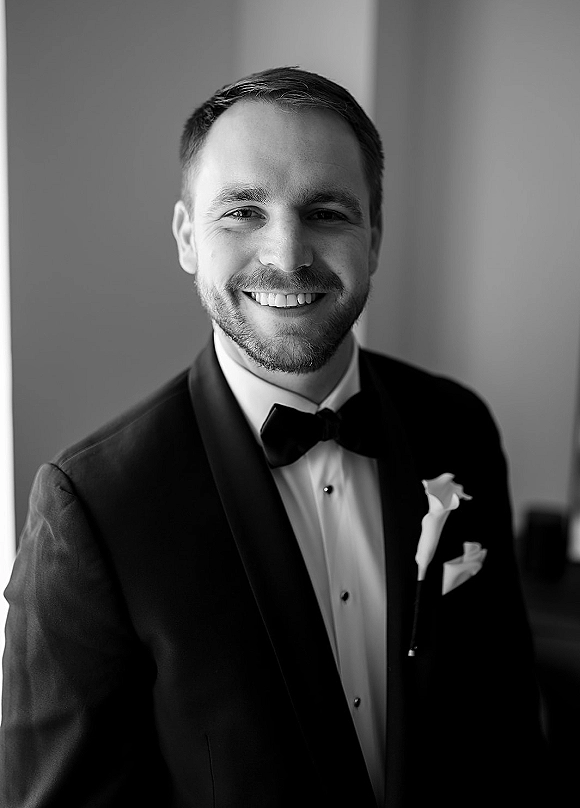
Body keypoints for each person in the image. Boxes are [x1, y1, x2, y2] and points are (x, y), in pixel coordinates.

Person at [1, 67, 548, 807]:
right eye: (243, 213)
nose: (287, 255)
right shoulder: (91, 508)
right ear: (188, 237)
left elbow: (508, 728)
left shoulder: (458, 424)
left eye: (327, 211)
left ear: (374, 237)